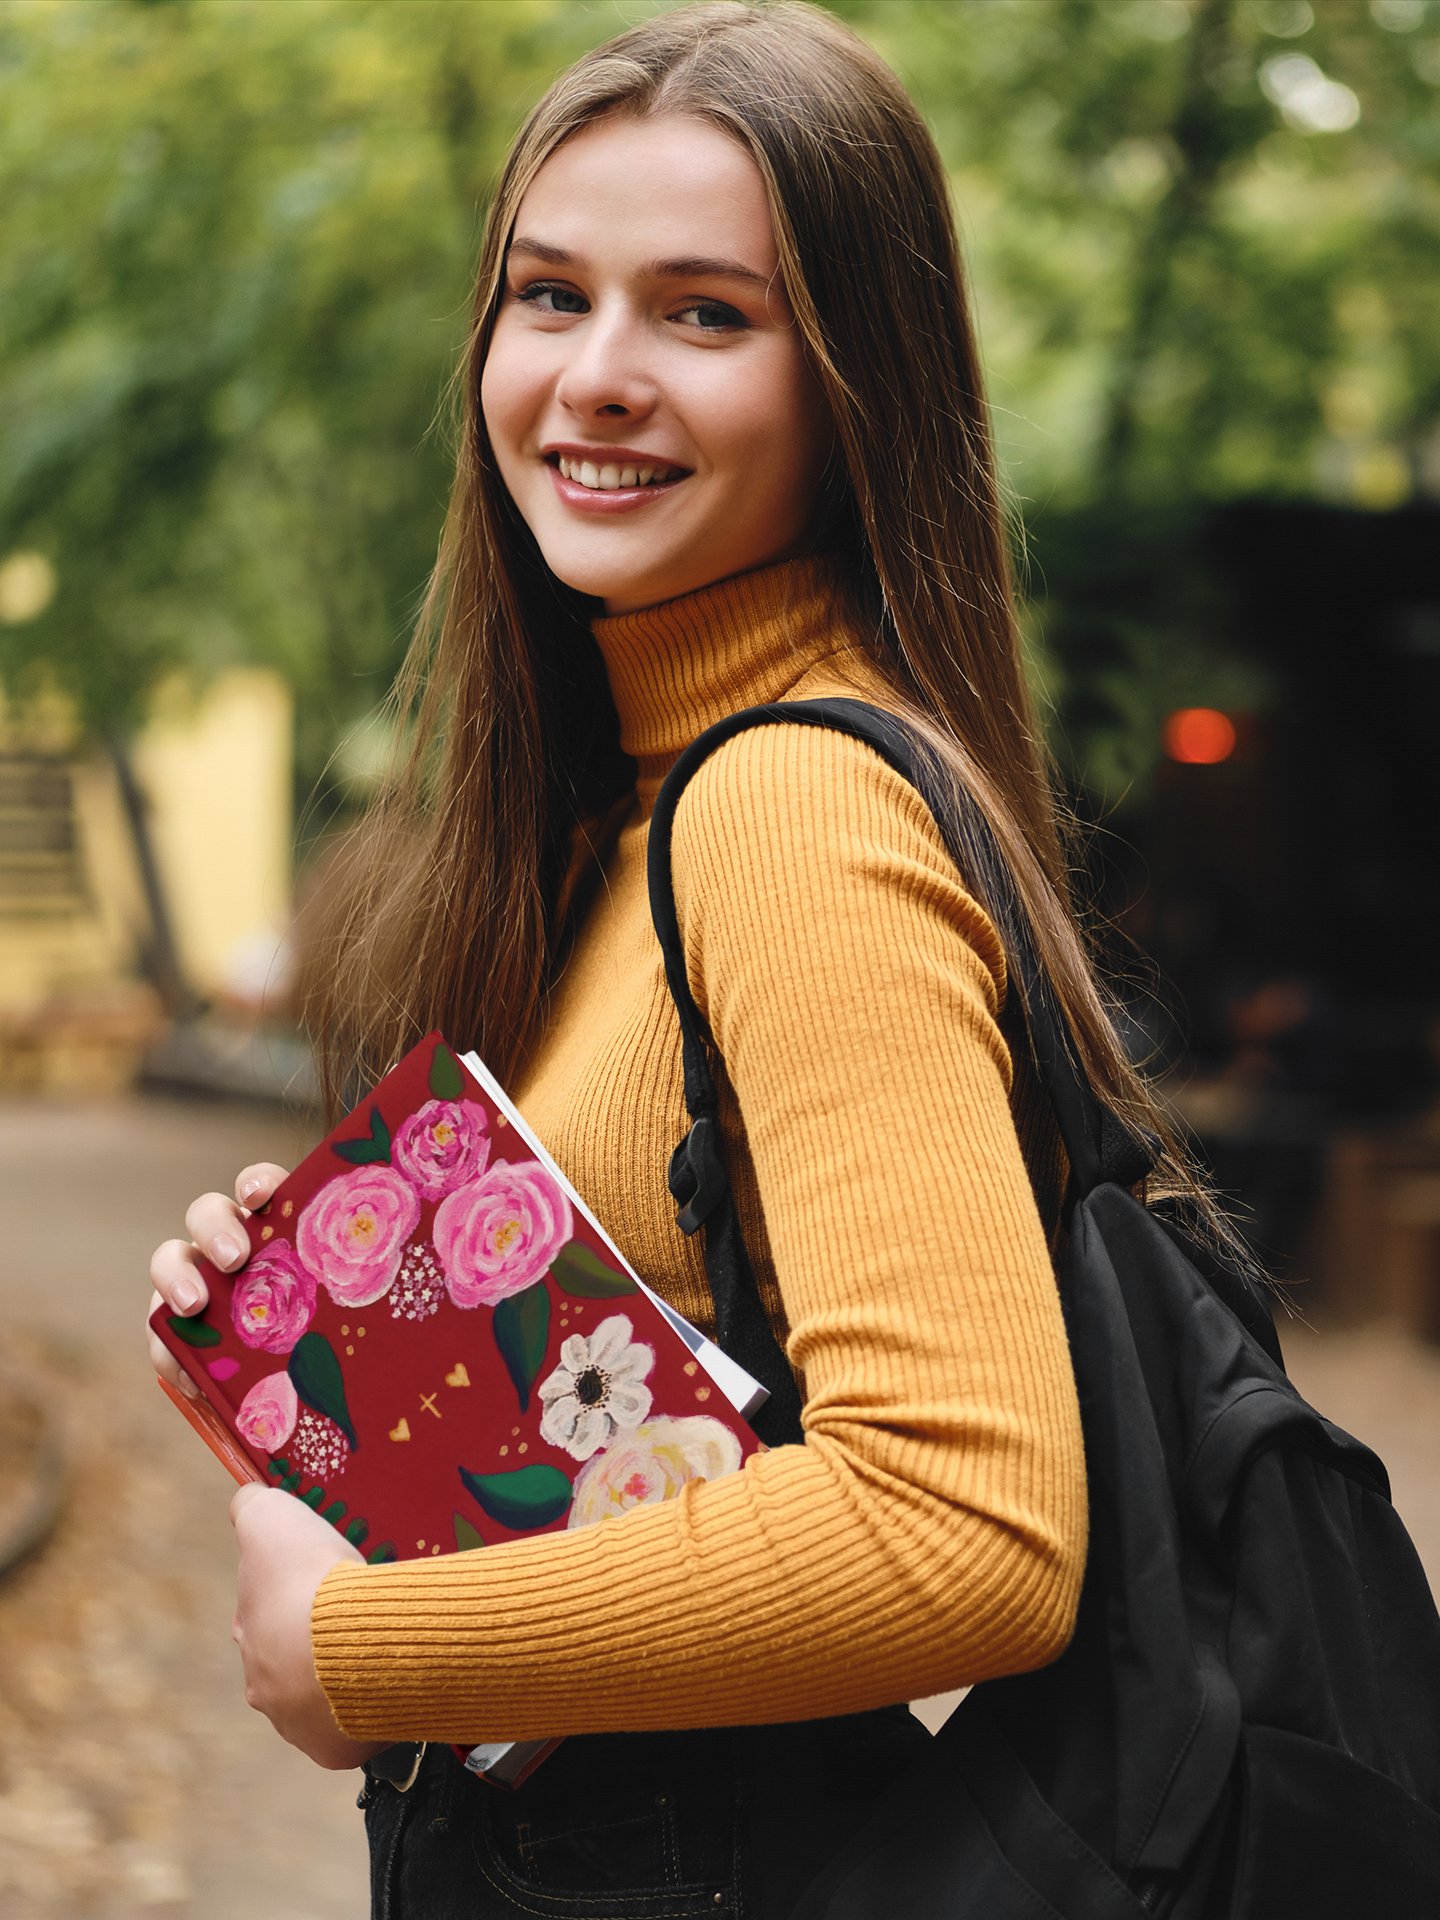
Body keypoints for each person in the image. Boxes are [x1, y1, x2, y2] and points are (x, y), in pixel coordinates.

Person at [147, 6, 1208, 1913]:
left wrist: (366, 1653)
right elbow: (690, 1443)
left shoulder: (790, 813)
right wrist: (342, 1366)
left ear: (855, 383)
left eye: (706, 315)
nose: (596, 375)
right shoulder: (608, 817)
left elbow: (962, 1524)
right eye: (549, 295)